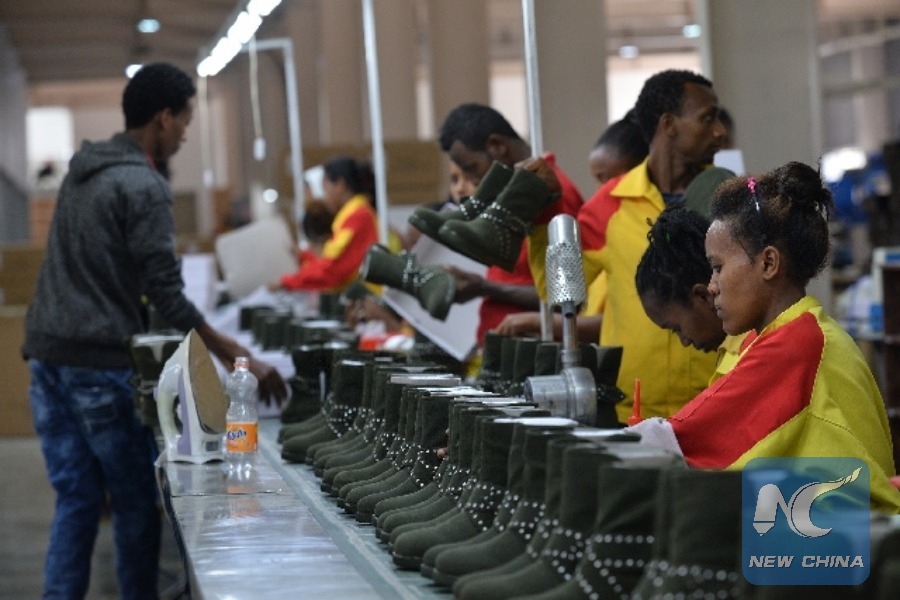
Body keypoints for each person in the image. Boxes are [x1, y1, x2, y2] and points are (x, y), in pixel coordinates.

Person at [21, 63, 287, 599]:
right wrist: (235, 354)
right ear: (164, 118)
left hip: (47, 358)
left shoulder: (81, 173)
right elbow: (165, 291)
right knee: (135, 501)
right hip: (98, 365)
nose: (185, 134)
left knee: (76, 500)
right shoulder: (141, 184)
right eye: (185, 121)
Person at [638, 161, 900, 513]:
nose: (711, 286)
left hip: (853, 535)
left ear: (768, 264)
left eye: (717, 267)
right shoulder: (800, 333)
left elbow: (686, 440)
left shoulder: (797, 344)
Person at [578, 69, 728, 423]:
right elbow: (558, 287)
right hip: (631, 409)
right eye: (707, 118)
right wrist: (544, 221)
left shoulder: (727, 198)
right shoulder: (609, 204)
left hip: (716, 404)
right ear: (669, 124)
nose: (720, 131)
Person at [492, 110, 649, 341]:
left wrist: (534, 321)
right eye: (597, 179)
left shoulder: (626, 226)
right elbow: (558, 286)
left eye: (607, 179)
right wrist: (542, 216)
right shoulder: (603, 222)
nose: (600, 190)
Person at [431, 102, 584, 301]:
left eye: (472, 168)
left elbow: (566, 294)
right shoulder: (512, 199)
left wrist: (485, 287)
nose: (471, 181)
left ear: (497, 146)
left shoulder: (554, 195)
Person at [635, 204, 746, 384]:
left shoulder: (749, 357)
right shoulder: (733, 355)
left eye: (677, 329)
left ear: (703, 296)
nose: (685, 342)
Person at [273, 155, 383, 292]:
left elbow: (333, 271)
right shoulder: (353, 215)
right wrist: (303, 256)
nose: (325, 196)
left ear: (340, 185)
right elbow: (331, 263)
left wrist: (287, 282)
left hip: (367, 297)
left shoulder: (357, 217)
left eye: (325, 188)